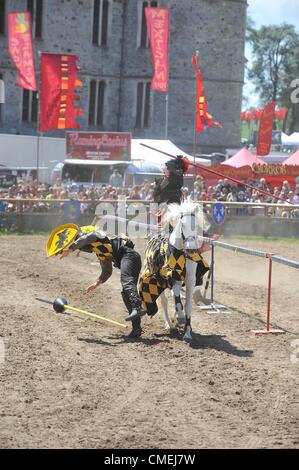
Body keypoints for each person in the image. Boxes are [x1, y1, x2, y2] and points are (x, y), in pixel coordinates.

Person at [46, 224, 145, 338]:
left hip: (129, 256)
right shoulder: (99, 251)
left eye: (80, 244)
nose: (82, 248)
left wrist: (71, 248)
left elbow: (89, 237)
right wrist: (97, 283)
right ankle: (136, 328)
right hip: (129, 259)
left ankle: (138, 307)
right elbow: (107, 271)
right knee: (125, 292)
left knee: (126, 282)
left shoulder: (98, 236)